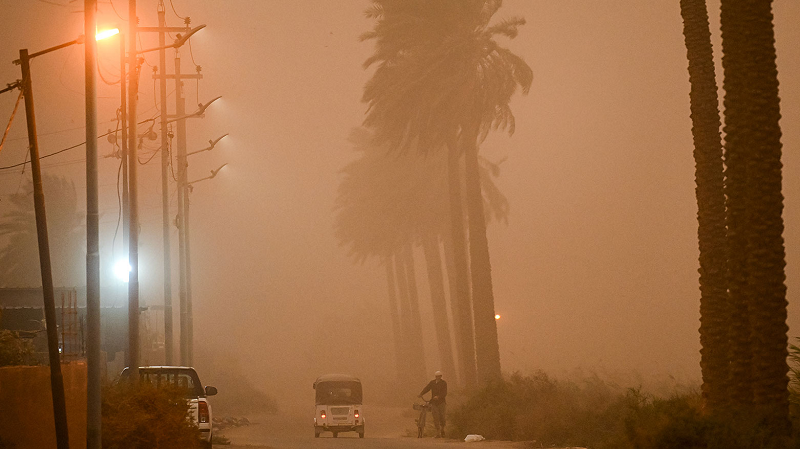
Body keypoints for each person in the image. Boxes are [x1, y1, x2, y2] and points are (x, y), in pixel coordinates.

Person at [418, 370, 447, 438]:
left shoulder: (443, 383)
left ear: (441, 376)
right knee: (435, 418)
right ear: (435, 376)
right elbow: (427, 388)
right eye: (437, 376)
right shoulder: (432, 383)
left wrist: (438, 397)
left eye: (439, 376)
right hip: (434, 403)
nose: (438, 377)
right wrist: (421, 394)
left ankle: (442, 429)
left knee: (442, 417)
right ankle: (438, 433)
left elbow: (444, 393)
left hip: (441, 403)